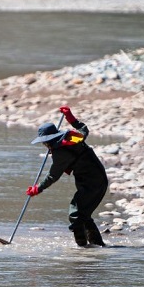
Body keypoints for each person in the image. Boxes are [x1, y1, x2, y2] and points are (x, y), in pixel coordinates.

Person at [27, 105, 108, 247]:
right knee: (83, 214)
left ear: (48, 141)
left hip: (92, 184)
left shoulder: (61, 153)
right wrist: (72, 119)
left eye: (44, 142)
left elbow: (53, 175)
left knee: (75, 214)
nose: (44, 145)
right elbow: (84, 130)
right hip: (98, 178)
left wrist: (38, 189)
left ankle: (82, 248)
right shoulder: (73, 138)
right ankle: (97, 247)